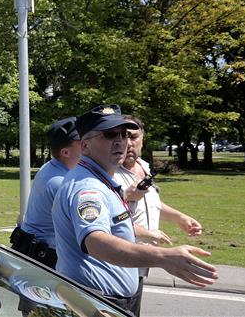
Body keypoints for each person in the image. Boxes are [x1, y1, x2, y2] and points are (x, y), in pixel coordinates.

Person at [52, 105, 217, 316]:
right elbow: (96, 242)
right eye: (109, 134)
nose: (121, 141)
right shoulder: (88, 188)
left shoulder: (100, 180)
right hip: (95, 302)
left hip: (102, 299)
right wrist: (162, 257)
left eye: (124, 134)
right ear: (84, 146)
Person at [113, 115, 203, 315]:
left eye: (133, 137)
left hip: (141, 260)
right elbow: (108, 219)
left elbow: (152, 203)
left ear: (143, 139)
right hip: (118, 260)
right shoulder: (109, 173)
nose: (127, 143)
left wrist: (179, 217)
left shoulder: (143, 166)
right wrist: (129, 198)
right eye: (121, 136)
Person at [10, 116, 81, 267]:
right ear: (66, 152)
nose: (89, 144)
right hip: (46, 258)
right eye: (82, 142)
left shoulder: (51, 167)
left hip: (34, 252)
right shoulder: (62, 183)